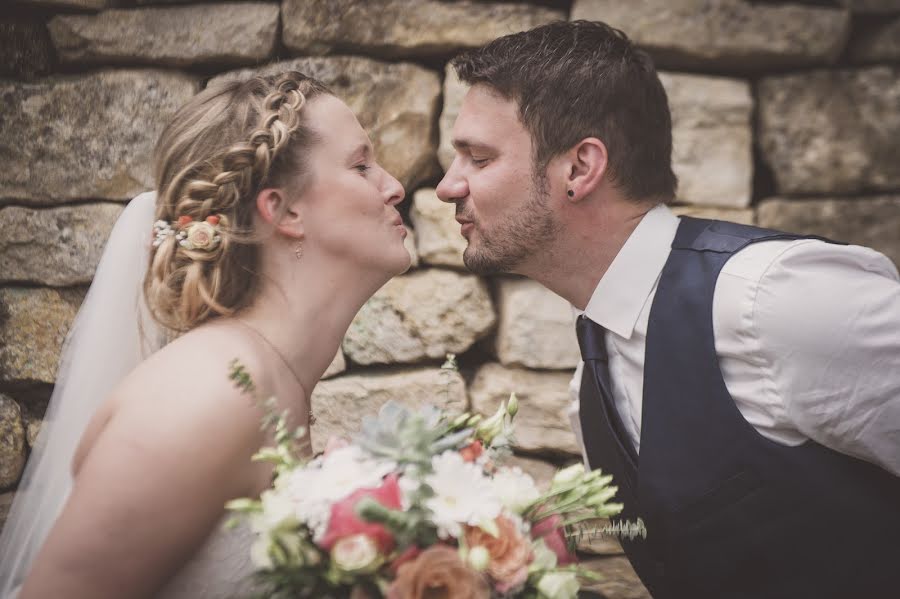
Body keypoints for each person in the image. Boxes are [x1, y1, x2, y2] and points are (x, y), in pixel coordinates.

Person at [436, 20, 900, 599]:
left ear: (579, 168)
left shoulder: (772, 298)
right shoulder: (592, 394)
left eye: (477, 158)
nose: (447, 187)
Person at [0, 71, 409, 598]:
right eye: (361, 166)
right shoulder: (208, 395)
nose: (394, 185)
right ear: (283, 210)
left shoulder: (266, 382)